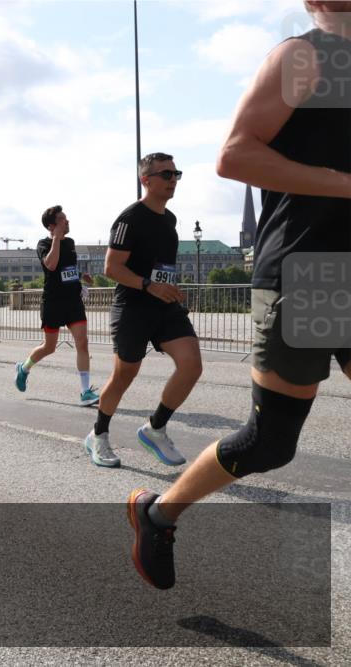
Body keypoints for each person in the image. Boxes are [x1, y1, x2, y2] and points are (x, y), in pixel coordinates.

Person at [128, 1, 351, 591]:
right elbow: (235, 155)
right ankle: (159, 513)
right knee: (270, 442)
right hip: (308, 274)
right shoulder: (304, 56)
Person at [84, 152, 202, 468]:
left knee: (191, 364)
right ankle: (98, 434)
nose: (173, 180)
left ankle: (155, 428)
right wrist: (149, 285)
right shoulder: (130, 219)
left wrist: (168, 287)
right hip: (133, 307)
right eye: (166, 174)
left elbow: (160, 266)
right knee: (124, 375)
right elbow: (112, 267)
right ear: (146, 180)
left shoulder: (170, 219)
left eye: (176, 174)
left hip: (164, 306)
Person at [15, 206, 100, 406]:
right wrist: (56, 239)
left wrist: (81, 276)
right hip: (53, 302)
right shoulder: (43, 244)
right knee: (49, 347)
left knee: (82, 343)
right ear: (52, 226)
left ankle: (85, 392)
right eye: (62, 219)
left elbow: (66, 268)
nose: (67, 222)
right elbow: (51, 265)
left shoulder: (70, 243)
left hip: (73, 301)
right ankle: (24, 368)